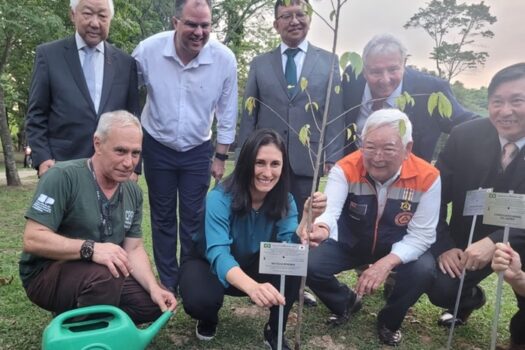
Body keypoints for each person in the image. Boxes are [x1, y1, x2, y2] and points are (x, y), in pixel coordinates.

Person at [19, 111, 177, 324]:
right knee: (106, 276)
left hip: (103, 275)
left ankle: (86, 312)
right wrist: (91, 249)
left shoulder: (132, 191)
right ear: (98, 143)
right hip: (47, 274)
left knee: (154, 304)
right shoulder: (62, 176)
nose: (129, 162)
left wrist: (153, 287)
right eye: (120, 151)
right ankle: (81, 334)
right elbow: (32, 239)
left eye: (135, 153)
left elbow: (134, 248)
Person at [178, 129, 326, 350]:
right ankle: (208, 317)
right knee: (200, 300)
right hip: (209, 265)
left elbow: (289, 248)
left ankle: (275, 330)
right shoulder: (219, 197)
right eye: (260, 163)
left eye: (275, 164)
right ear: (247, 163)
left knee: (293, 264)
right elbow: (219, 254)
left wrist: (305, 220)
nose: (267, 172)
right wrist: (252, 287)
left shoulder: (286, 200)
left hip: (254, 263)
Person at [305, 109, 440, 346]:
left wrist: (386, 263)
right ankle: (346, 301)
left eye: (388, 148)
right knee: (308, 260)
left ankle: (389, 321)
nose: (377, 157)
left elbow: (423, 235)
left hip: (398, 247)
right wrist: (322, 228)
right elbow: (330, 210)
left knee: (424, 270)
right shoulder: (345, 168)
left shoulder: (428, 177)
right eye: (369, 147)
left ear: (407, 149)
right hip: (353, 242)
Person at [132, 0, 237, 295]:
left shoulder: (224, 59)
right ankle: (168, 282)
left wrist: (220, 156)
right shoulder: (147, 51)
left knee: (193, 219)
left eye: (205, 25)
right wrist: (131, 150)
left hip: (198, 149)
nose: (199, 32)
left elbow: (228, 112)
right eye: (192, 24)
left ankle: (190, 280)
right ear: (175, 21)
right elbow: (127, 93)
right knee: (162, 216)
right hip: (157, 144)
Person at [427, 63, 525, 349]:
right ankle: (470, 300)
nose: (505, 111)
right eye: (497, 102)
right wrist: (444, 244)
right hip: (466, 239)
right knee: (441, 288)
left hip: (521, 239)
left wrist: (496, 242)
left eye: (517, 101)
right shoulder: (464, 135)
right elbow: (435, 196)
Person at [238, 0, 344, 217]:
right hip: (265, 160)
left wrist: (332, 157)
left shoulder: (328, 61)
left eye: (300, 15)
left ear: (309, 19)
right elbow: (250, 114)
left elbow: (333, 112)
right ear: (276, 25)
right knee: (263, 218)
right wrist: (243, 154)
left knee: (300, 221)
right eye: (286, 16)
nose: (294, 21)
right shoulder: (260, 64)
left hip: (307, 159)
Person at [25, 0, 139, 178]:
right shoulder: (49, 56)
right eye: (87, 14)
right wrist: (42, 158)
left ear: (110, 19)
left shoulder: (126, 63)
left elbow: (134, 117)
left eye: (102, 16)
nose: (94, 22)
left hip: (112, 170)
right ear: (73, 14)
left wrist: (135, 167)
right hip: (61, 167)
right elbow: (36, 114)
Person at [342, 34, 477, 161]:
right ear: (364, 70)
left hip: (411, 180)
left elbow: (464, 123)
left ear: (404, 63)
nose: (385, 80)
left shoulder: (429, 89)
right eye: (376, 72)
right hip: (356, 178)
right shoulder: (352, 79)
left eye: (393, 69)